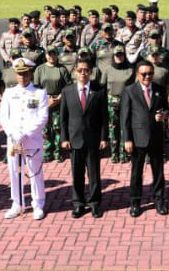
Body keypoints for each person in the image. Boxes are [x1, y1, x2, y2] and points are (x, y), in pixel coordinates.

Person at [0, 58, 48, 220]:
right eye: (19, 74)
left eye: (25, 73)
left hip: (31, 140)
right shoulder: (9, 93)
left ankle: (38, 203)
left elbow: (42, 118)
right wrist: (13, 135)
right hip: (13, 141)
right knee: (14, 172)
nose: (22, 77)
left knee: (35, 172)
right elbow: (3, 117)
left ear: (31, 73)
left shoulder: (39, 93)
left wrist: (23, 134)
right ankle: (17, 203)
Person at [121, 61, 169, 217]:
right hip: (137, 138)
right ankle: (135, 203)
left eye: (150, 73)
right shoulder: (129, 91)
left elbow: (167, 109)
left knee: (158, 172)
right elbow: (125, 118)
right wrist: (127, 139)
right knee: (136, 173)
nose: (147, 76)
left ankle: (159, 200)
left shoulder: (159, 90)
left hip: (156, 137)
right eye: (144, 74)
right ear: (137, 74)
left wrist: (164, 115)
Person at [61, 58, 108, 219]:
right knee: (77, 174)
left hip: (93, 139)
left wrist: (104, 137)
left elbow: (104, 117)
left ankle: (94, 203)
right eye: (80, 70)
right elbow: (63, 118)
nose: (83, 73)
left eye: (86, 70)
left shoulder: (99, 90)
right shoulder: (67, 91)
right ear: (75, 71)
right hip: (75, 140)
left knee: (94, 174)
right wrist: (64, 138)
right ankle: (78, 204)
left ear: (91, 72)